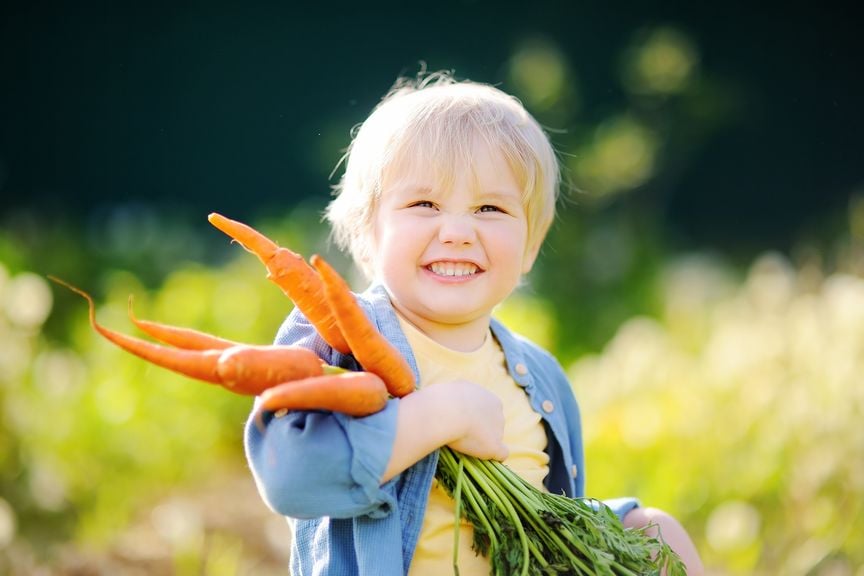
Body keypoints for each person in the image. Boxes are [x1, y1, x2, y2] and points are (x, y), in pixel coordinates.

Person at [244, 70, 704, 575]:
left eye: (490, 208)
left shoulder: (540, 377)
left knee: (656, 533)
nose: (458, 232)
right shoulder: (338, 341)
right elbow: (290, 477)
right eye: (424, 204)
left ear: (531, 244)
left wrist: (625, 526)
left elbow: (547, 527)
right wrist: (443, 415)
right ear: (368, 229)